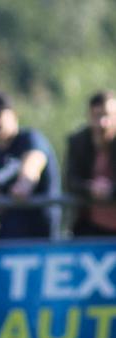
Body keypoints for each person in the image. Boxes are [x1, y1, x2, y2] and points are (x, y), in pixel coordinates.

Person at [0, 92, 61, 240]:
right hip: (7, 235)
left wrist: (24, 184)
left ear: (14, 115)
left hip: (39, 233)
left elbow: (32, 168)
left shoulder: (30, 139)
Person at [66, 90, 116, 237]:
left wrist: (111, 191)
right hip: (89, 229)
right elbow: (70, 181)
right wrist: (90, 188)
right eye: (97, 116)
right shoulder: (78, 142)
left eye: (107, 115)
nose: (102, 123)